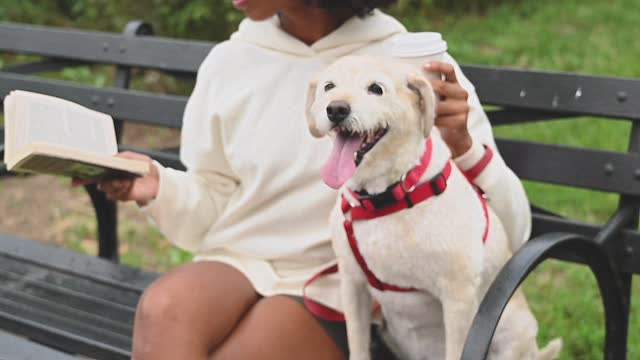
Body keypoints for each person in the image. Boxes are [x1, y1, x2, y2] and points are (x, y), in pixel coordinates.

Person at [90, 0, 531, 359]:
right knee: (162, 309)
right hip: (241, 258)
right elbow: (214, 192)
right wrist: (158, 187)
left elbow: (509, 231)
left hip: (338, 276)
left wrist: (463, 146)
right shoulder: (229, 61)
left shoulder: (409, 64)